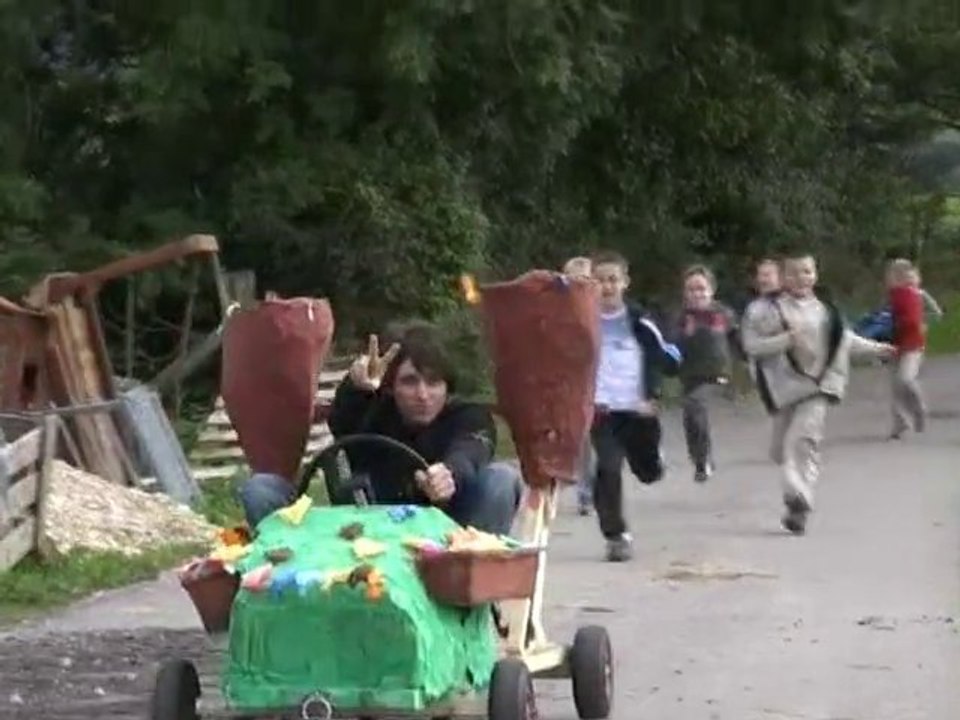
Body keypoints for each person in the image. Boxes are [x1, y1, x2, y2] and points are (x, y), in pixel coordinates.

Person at [741, 251, 895, 536]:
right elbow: (751, 346)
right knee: (778, 451)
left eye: (807, 272)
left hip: (820, 386)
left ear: (816, 274)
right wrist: (785, 340)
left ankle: (802, 498)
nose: (801, 278)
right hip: (785, 387)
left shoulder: (826, 310)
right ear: (783, 277)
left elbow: (844, 340)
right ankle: (795, 498)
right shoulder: (767, 310)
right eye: (794, 273)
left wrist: (877, 349)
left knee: (801, 441)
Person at [589, 250, 682, 561]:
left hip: (637, 410)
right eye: (599, 281)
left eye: (613, 279)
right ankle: (616, 536)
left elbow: (669, 357)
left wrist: (653, 395)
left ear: (625, 283)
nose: (607, 286)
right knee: (607, 468)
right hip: (601, 411)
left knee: (648, 473)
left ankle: (654, 461)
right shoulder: (582, 322)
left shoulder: (640, 320)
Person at [669, 264, 738, 483]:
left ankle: (704, 458)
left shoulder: (722, 314)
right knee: (691, 417)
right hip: (690, 375)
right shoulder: (681, 317)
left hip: (717, 374)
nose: (697, 294)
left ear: (712, 290)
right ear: (684, 293)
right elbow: (670, 344)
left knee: (695, 405)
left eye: (701, 288)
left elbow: (739, 340)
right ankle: (699, 458)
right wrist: (683, 335)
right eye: (691, 289)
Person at [562, 255, 598, 516]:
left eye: (584, 279)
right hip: (574, 384)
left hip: (604, 383)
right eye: (572, 280)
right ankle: (586, 494)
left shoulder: (603, 309)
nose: (578, 285)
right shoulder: (560, 311)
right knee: (582, 439)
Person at [887, 259, 927, 439]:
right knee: (896, 386)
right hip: (896, 344)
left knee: (905, 379)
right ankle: (900, 422)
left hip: (913, 345)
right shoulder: (895, 295)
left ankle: (918, 407)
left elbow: (912, 319)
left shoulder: (912, 294)